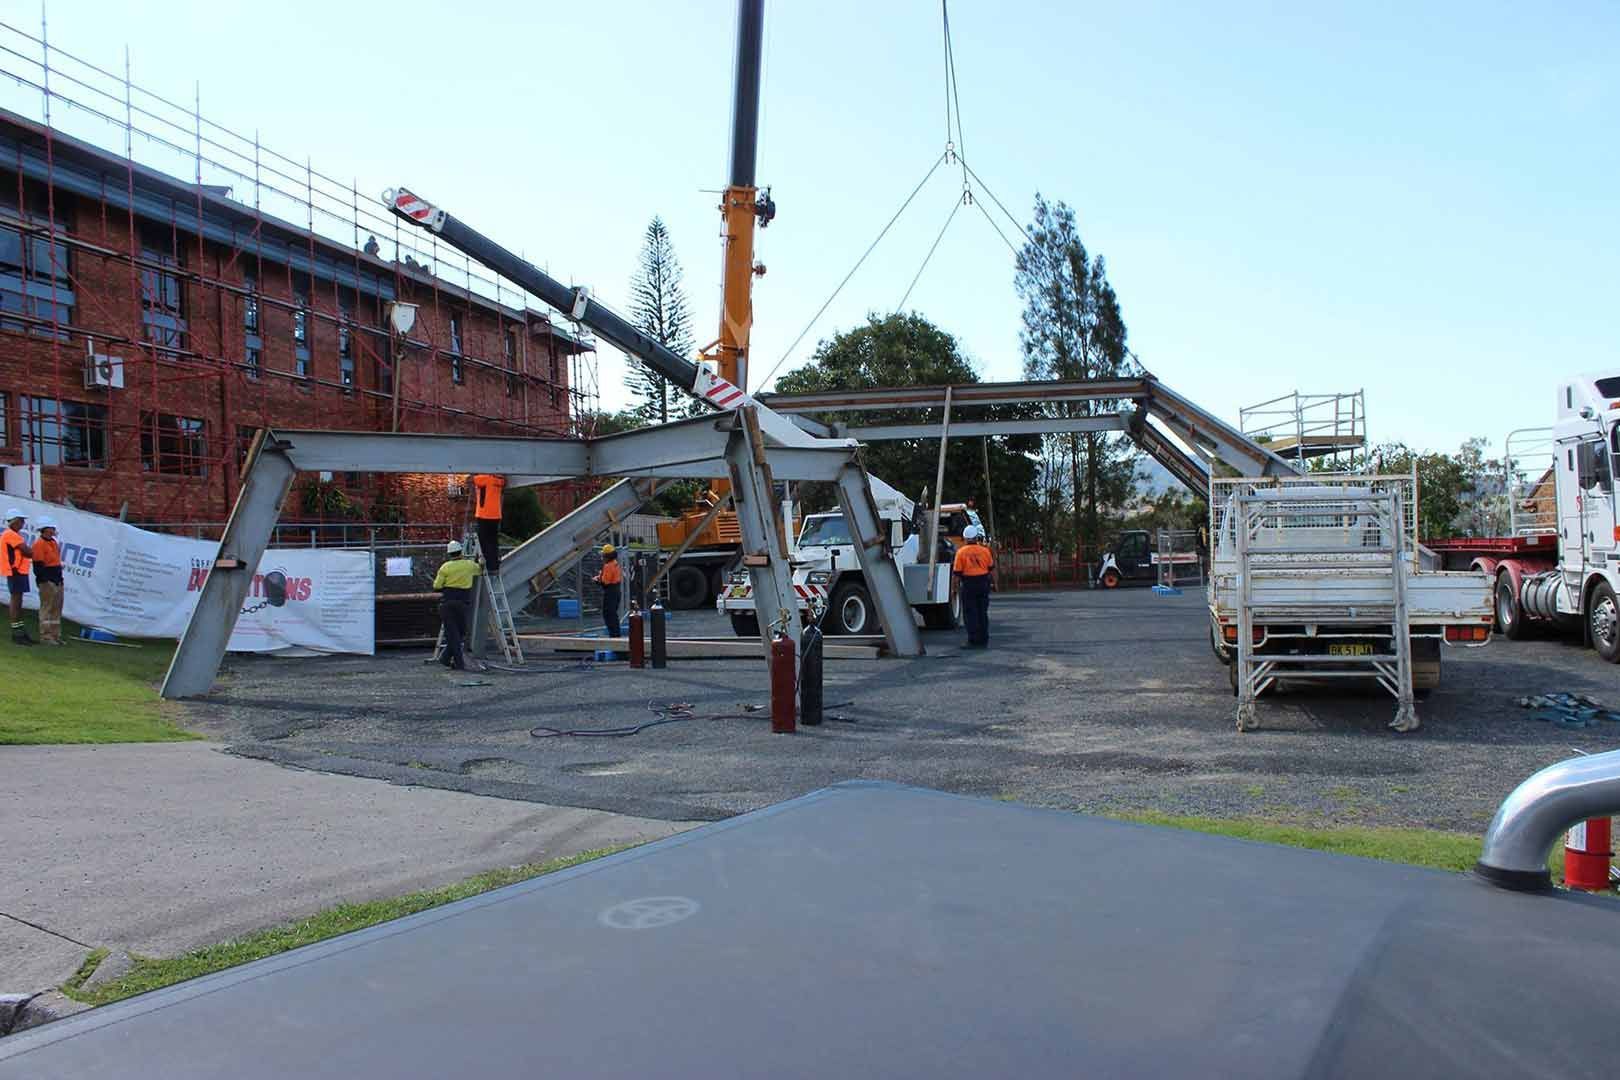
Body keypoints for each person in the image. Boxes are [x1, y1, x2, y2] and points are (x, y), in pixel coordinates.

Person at [433, 539, 481, 670]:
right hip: (462, 603)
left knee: (453, 634)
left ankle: (447, 659)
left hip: (447, 604)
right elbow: (480, 570)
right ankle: (455, 662)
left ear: (449, 554)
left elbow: (436, 586)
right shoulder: (469, 565)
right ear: (461, 552)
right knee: (460, 633)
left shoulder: (445, 567)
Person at [952, 523, 995, 649]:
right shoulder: (985, 551)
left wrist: (954, 589)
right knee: (982, 611)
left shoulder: (961, 553)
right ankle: (983, 638)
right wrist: (995, 584)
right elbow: (992, 570)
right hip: (983, 583)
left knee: (970, 613)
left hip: (969, 584)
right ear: (976, 537)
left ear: (965, 538)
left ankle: (973, 640)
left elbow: (957, 574)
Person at [2, 508, 33, 646]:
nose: (23, 523)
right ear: (14, 521)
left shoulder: (12, 534)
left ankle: (20, 631)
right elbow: (26, 551)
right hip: (15, 572)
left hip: (18, 572)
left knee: (18, 601)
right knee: (16, 601)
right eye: (21, 520)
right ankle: (17, 633)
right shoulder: (11, 534)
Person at [31, 515, 64, 646]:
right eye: (51, 528)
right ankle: (45, 636)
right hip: (47, 581)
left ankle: (55, 635)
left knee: (56, 609)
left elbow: (56, 562)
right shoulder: (39, 544)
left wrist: (60, 580)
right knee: (47, 608)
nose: (53, 530)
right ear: (44, 529)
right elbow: (38, 566)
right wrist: (45, 581)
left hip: (57, 580)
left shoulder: (53, 542)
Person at [471, 473, 506, 574]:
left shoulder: (485, 479)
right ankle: (494, 565)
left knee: (483, 541)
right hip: (496, 515)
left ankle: (486, 564)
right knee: (493, 541)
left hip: (484, 515)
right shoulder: (500, 480)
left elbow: (472, 478)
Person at [593, 542, 623, 638]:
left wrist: (597, 580)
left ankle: (614, 636)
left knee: (608, 614)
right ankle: (616, 635)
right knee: (613, 614)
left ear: (606, 556)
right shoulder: (615, 563)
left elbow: (605, 582)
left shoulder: (608, 566)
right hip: (616, 590)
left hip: (610, 592)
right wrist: (600, 576)